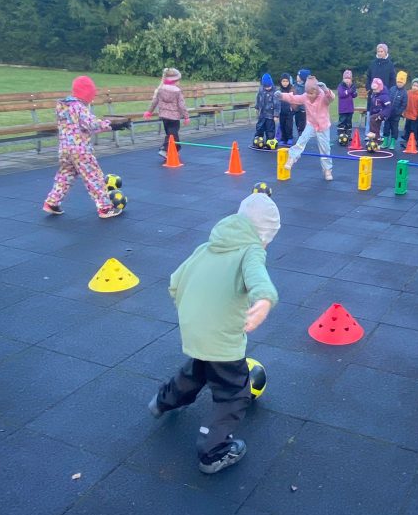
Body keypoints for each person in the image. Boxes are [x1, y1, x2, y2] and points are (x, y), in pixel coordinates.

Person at [148, 192, 280, 474]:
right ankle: (213, 452)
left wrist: (191, 312)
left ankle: (162, 401)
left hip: (194, 329)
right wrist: (264, 299)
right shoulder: (252, 250)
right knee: (233, 392)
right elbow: (257, 275)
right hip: (222, 338)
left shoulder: (208, 246)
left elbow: (175, 282)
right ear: (263, 235)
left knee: (197, 370)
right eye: (269, 239)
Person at [43, 75, 128, 218]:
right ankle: (105, 208)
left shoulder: (63, 107)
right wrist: (112, 125)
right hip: (80, 150)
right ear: (87, 93)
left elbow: (76, 126)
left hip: (64, 149)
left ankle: (52, 202)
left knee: (65, 175)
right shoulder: (79, 107)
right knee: (94, 177)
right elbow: (91, 124)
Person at [280, 75, 336, 180]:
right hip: (311, 124)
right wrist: (281, 96)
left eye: (312, 93)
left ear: (317, 91)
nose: (309, 95)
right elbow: (294, 98)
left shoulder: (323, 97)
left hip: (323, 126)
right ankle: (292, 158)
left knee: (325, 148)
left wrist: (325, 89)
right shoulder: (305, 96)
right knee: (301, 140)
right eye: (308, 93)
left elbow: (331, 98)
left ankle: (327, 170)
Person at [144, 67, 190, 159]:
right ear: (175, 81)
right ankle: (164, 149)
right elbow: (181, 105)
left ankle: (175, 149)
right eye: (178, 81)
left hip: (164, 116)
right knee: (172, 135)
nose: (179, 83)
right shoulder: (177, 91)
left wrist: (149, 112)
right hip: (174, 117)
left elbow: (154, 101)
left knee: (171, 134)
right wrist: (186, 117)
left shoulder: (160, 89)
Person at [383, 70, 408, 149]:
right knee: (386, 127)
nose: (399, 83)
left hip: (396, 115)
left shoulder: (404, 93)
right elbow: (387, 98)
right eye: (398, 82)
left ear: (404, 83)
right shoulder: (392, 89)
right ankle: (385, 141)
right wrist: (386, 108)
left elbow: (404, 104)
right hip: (388, 113)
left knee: (394, 129)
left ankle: (392, 143)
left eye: (401, 82)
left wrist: (398, 112)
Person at [254, 73, 278, 144]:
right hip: (262, 113)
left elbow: (277, 104)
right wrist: (257, 107)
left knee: (270, 129)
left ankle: (270, 141)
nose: (268, 88)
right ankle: (258, 139)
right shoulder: (261, 90)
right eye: (266, 87)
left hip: (270, 115)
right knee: (259, 127)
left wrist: (276, 115)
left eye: (269, 86)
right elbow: (258, 99)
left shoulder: (275, 91)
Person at [401, 77, 418, 149]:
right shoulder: (408, 93)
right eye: (414, 85)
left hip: (415, 116)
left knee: (413, 130)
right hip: (408, 115)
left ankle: (414, 141)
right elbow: (405, 103)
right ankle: (406, 140)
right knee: (407, 128)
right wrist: (403, 112)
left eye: (416, 86)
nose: (414, 87)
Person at [367, 78, 391, 143]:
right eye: (373, 89)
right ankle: (376, 139)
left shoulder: (384, 96)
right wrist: (371, 112)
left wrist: (382, 115)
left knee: (373, 119)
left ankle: (374, 135)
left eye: (375, 89)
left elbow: (388, 107)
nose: (374, 91)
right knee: (376, 125)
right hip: (375, 112)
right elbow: (372, 105)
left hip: (381, 113)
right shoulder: (374, 94)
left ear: (380, 88)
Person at [337, 69, 357, 138]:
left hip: (350, 108)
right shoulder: (341, 86)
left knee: (349, 123)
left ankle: (348, 135)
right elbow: (341, 94)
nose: (347, 80)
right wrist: (350, 91)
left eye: (349, 78)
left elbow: (354, 96)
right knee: (342, 122)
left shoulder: (351, 86)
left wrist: (354, 91)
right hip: (343, 109)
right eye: (346, 78)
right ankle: (341, 135)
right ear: (343, 79)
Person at [291, 69, 309, 137]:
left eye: (298, 75)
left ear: (302, 78)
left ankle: (301, 136)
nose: (297, 76)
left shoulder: (306, 87)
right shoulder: (294, 85)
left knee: (301, 125)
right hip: (295, 107)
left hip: (302, 109)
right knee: (295, 122)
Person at [277, 73, 295, 145]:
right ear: (281, 82)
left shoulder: (291, 89)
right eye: (283, 81)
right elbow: (276, 100)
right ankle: (283, 138)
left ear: (289, 82)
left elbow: (295, 99)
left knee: (289, 125)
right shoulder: (279, 90)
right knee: (282, 125)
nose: (285, 83)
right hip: (281, 111)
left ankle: (290, 138)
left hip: (289, 111)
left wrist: (292, 107)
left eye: (286, 81)